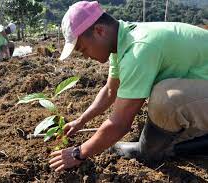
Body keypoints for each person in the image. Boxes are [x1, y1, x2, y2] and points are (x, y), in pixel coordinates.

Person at [49, 1, 208, 172]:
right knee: (165, 114)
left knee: (166, 98)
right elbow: (110, 91)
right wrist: (80, 121)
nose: (86, 57)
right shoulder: (123, 41)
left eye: (83, 49)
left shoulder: (138, 49)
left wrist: (79, 152)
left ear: (99, 31)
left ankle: (150, 151)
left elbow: (120, 123)